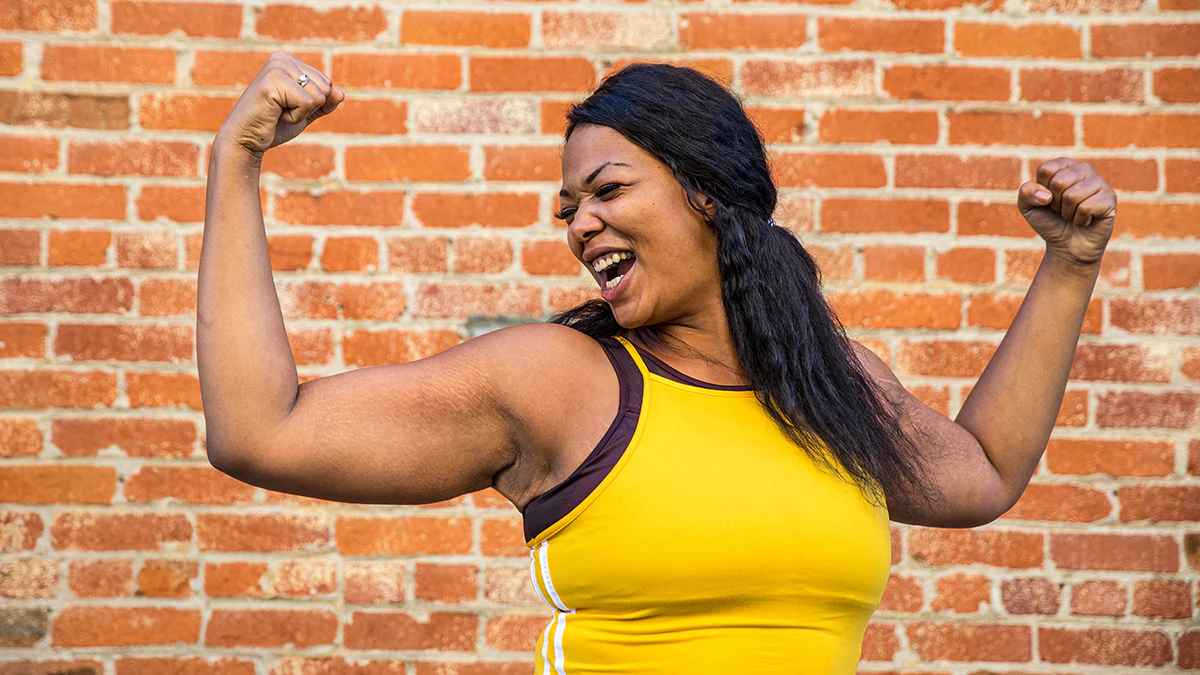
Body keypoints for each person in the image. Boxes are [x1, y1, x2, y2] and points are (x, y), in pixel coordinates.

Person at [198, 53, 1117, 674]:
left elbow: (985, 473)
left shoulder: (836, 383)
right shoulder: (559, 381)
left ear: (706, 193)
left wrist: (1068, 264)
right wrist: (235, 164)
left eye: (605, 190)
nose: (578, 223)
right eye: (568, 208)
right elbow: (260, 431)